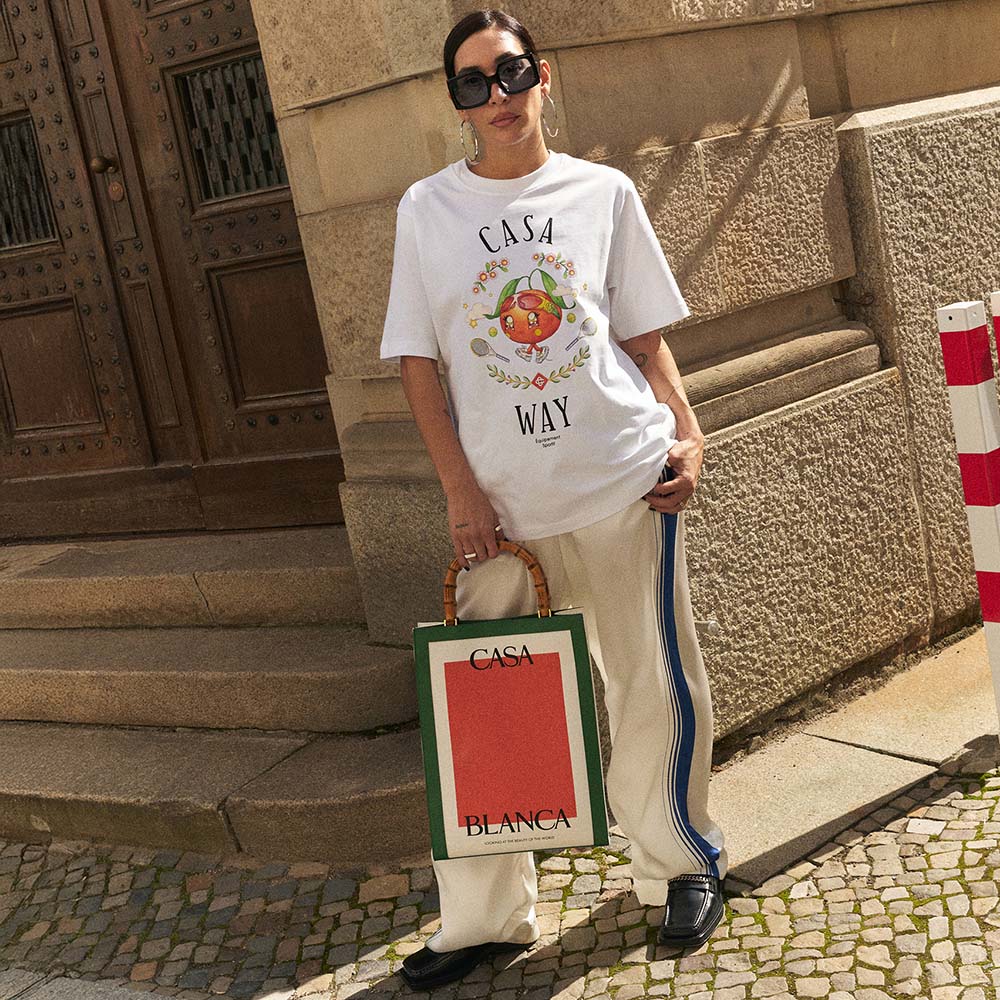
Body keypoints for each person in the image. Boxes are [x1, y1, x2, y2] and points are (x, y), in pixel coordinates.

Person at [378, 8, 729, 991]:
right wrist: (460, 491)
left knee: (651, 679)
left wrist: (689, 434)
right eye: (472, 83)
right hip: (498, 516)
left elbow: (642, 340)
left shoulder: (602, 193)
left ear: (543, 77)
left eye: (510, 73)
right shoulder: (427, 210)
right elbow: (416, 363)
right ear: (456, 103)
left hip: (622, 480)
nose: (496, 96)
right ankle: (484, 918)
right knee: (485, 709)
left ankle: (680, 863)